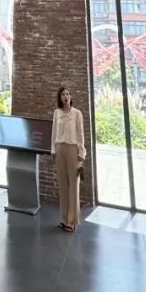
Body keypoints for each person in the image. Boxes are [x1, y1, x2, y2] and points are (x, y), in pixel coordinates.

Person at [51, 86, 86, 233]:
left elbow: (80, 134)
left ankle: (72, 221)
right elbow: (54, 132)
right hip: (60, 148)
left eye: (67, 94)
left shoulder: (77, 113)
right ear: (60, 98)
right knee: (63, 186)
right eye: (63, 94)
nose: (65, 96)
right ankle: (65, 219)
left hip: (73, 149)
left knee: (73, 185)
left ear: (70, 97)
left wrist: (81, 152)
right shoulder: (57, 113)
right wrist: (53, 149)